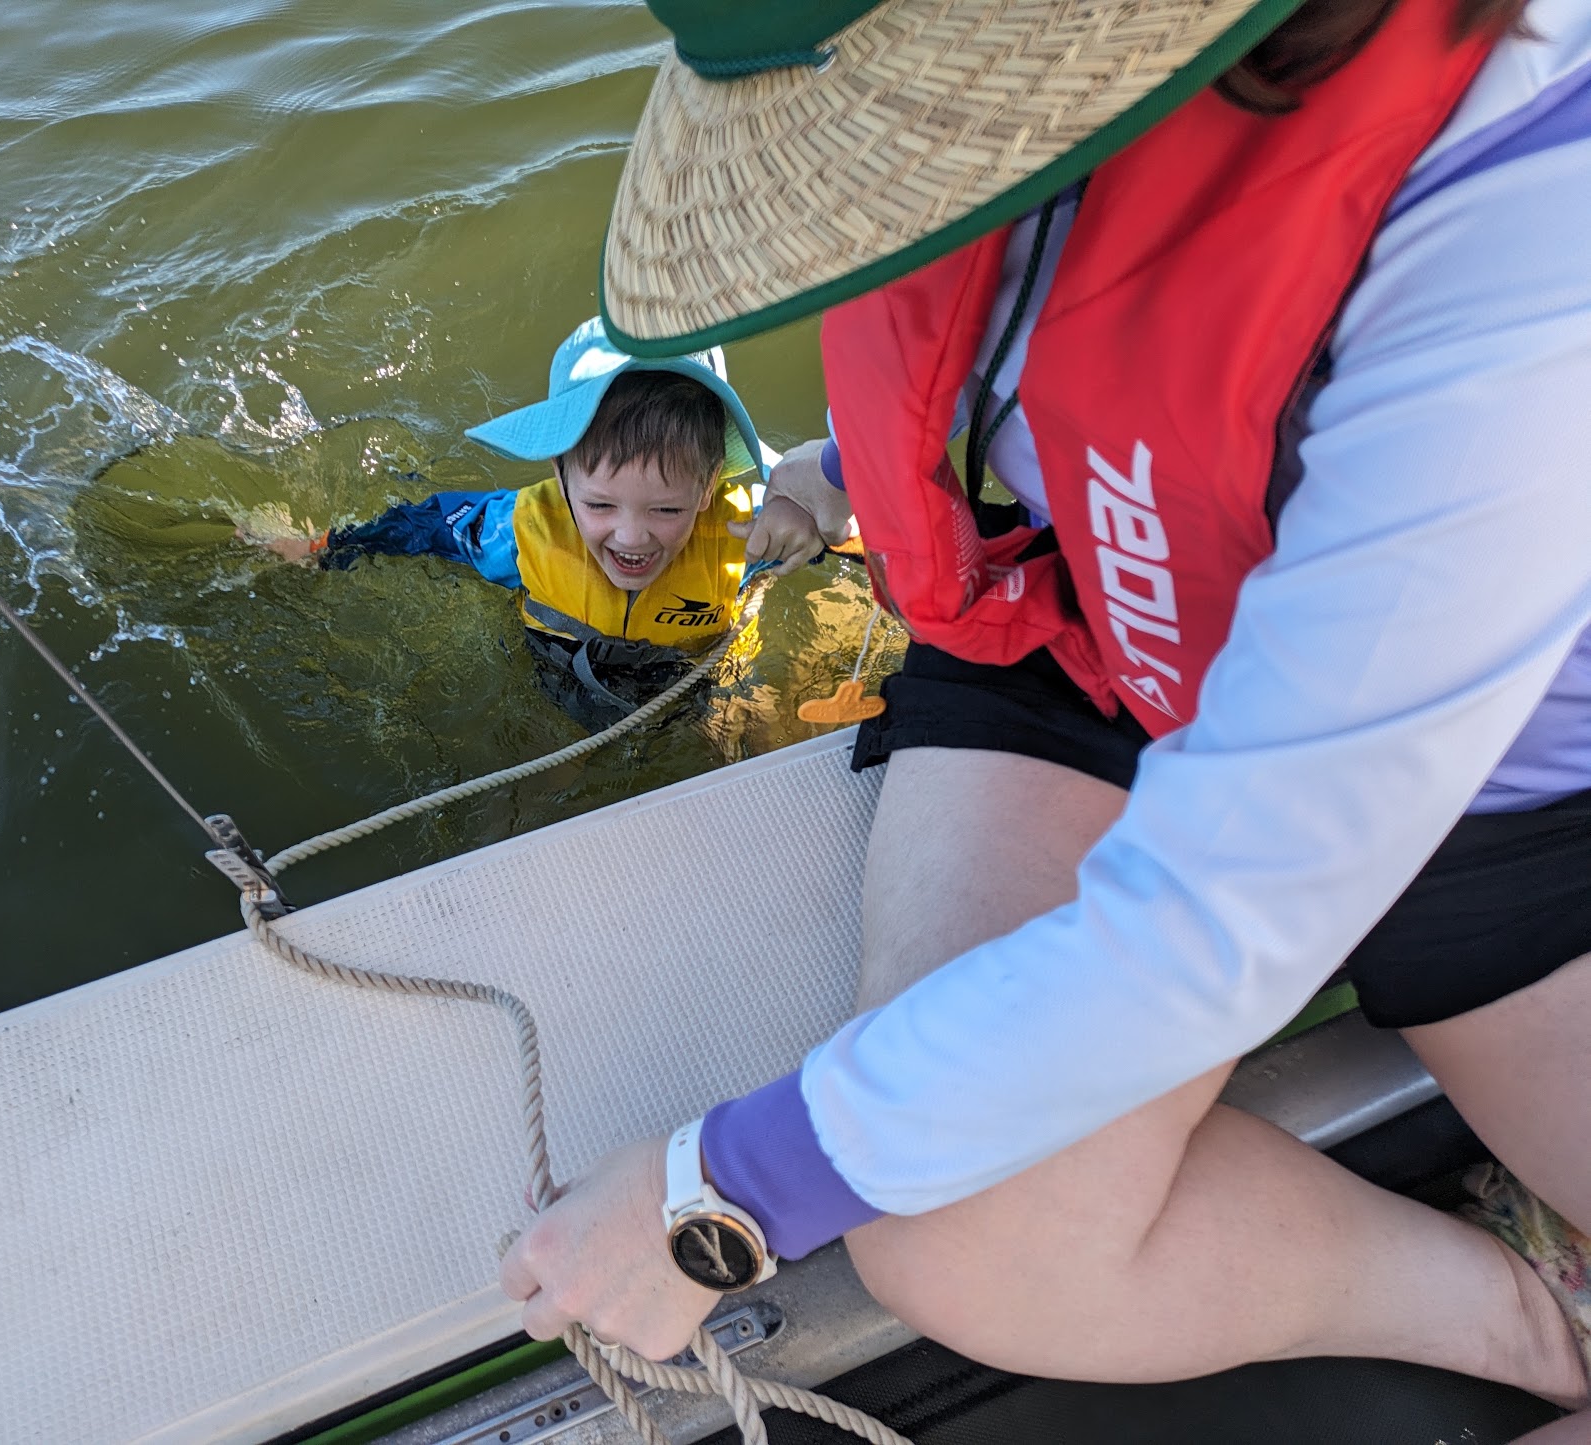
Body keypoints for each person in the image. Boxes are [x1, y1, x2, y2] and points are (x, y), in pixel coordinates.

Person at [500, 0, 1591, 1426]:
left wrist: (717, 1191)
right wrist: (839, 466)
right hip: (1081, 615)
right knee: (970, 1230)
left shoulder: (1532, 204)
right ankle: (1529, 1315)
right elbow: (1032, 346)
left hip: (1499, 792)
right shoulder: (1010, 147)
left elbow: (1229, 909)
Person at [286, 317, 848, 722]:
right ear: (561, 478)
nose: (632, 537)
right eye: (600, 504)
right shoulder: (519, 534)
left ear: (709, 488)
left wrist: (806, 519)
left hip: (700, 675)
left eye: (667, 509)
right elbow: (424, 526)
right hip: (561, 675)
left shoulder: (744, 534)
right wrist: (324, 547)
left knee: (757, 734)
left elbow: (858, 513)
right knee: (538, 785)